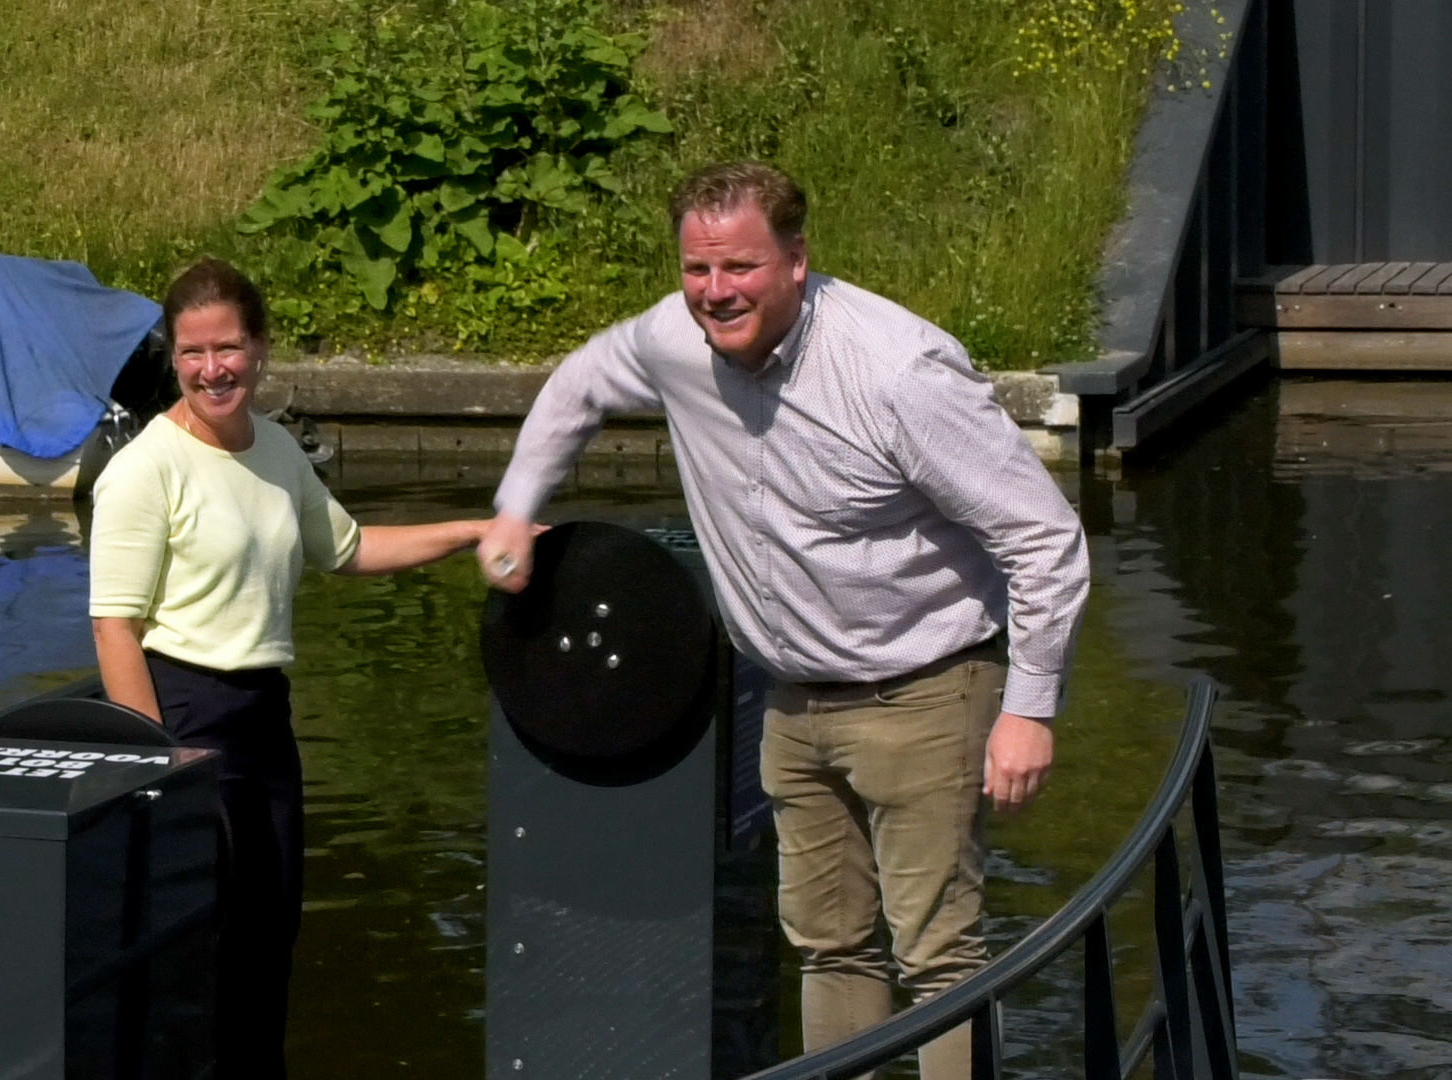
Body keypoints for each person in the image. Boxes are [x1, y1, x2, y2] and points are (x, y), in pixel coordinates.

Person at [477, 162, 1089, 1079]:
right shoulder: (675, 340)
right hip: (792, 705)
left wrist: (1029, 709)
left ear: (797, 261)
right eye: (696, 270)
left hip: (925, 693)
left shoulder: (898, 372)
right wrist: (518, 505)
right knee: (828, 944)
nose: (715, 293)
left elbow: (1043, 539)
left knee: (939, 957)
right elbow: (580, 385)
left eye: (740, 269)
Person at [89, 257, 491, 1079]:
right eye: (194, 353)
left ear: (261, 348)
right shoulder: (145, 470)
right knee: (204, 947)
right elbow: (115, 630)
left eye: (228, 348)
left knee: (271, 939)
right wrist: (160, 771)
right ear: (174, 355)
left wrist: (472, 531)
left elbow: (346, 549)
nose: (213, 369)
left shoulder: (275, 451)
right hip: (187, 718)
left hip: (265, 723)